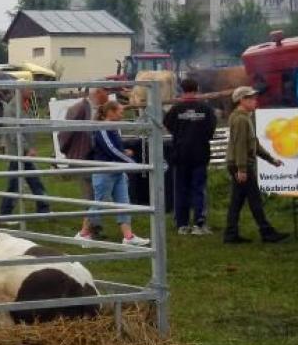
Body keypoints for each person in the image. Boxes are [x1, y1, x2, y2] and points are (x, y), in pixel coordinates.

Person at [75, 100, 149, 246]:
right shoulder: (103, 127)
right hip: (104, 171)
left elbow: (114, 148)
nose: (123, 114)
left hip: (117, 170)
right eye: (120, 112)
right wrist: (132, 162)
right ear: (111, 112)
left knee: (123, 202)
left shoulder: (113, 127)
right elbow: (111, 149)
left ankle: (128, 237)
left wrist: (123, 152)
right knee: (99, 203)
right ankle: (83, 233)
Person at [224, 86, 290, 244]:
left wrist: (271, 160)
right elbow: (240, 145)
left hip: (238, 163)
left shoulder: (244, 117)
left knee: (237, 201)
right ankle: (266, 232)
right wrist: (242, 169)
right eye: (251, 98)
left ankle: (231, 234)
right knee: (254, 200)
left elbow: (254, 144)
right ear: (242, 100)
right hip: (241, 163)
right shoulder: (241, 119)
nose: (255, 101)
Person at [164, 77, 217, 236]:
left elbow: (167, 124)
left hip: (180, 154)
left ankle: (182, 224)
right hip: (200, 153)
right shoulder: (206, 108)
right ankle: (199, 223)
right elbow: (211, 130)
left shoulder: (176, 109)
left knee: (181, 189)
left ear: (182, 89)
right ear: (197, 89)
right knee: (198, 188)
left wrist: (180, 134)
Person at [59, 87, 109, 238]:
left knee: (96, 191)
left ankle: (94, 225)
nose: (107, 96)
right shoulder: (80, 108)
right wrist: (69, 151)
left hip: (91, 156)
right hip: (83, 157)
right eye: (105, 92)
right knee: (90, 192)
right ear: (98, 93)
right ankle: (90, 229)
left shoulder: (94, 108)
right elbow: (65, 132)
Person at [0, 88, 50, 219]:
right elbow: (14, 133)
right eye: (29, 89)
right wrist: (28, 148)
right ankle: (5, 215)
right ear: (20, 90)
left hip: (25, 154)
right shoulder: (11, 109)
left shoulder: (26, 105)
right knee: (15, 185)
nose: (32, 91)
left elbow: (30, 127)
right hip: (17, 154)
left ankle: (43, 210)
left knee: (34, 181)